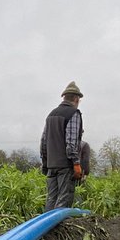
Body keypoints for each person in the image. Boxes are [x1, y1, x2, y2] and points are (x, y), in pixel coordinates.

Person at [40, 82, 84, 210]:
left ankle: (48, 228)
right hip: (65, 166)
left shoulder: (51, 115)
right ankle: (59, 228)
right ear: (76, 98)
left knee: (51, 198)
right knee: (64, 199)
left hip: (51, 165)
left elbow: (43, 142)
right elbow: (71, 141)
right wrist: (76, 163)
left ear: (64, 97)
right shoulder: (73, 113)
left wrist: (45, 163)